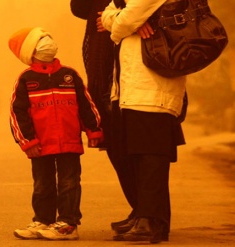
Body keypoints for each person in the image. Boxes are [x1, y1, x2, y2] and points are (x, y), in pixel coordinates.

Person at [100, 0, 188, 243]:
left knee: (152, 155)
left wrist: (127, 22)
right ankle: (149, 218)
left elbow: (119, 25)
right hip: (136, 85)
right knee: (142, 153)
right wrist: (128, 21)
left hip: (152, 84)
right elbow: (107, 15)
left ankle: (150, 221)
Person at [8, 27, 104, 240]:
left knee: (69, 183)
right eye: (41, 40)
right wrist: (27, 141)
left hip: (69, 143)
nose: (47, 42)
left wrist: (94, 129)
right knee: (42, 184)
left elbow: (85, 104)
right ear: (31, 52)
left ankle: (68, 224)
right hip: (40, 145)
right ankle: (43, 220)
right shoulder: (26, 79)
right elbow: (17, 113)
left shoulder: (69, 75)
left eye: (47, 38)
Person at [70, 0, 138, 234]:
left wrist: (117, 19)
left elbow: (140, 11)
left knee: (135, 150)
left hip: (129, 77)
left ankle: (148, 212)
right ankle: (140, 209)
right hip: (103, 80)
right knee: (118, 150)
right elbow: (78, 8)